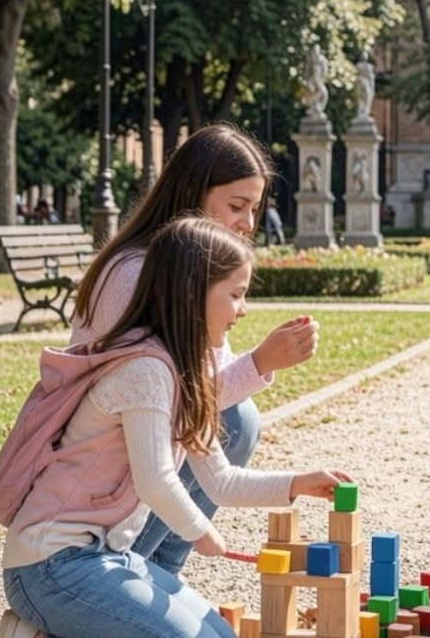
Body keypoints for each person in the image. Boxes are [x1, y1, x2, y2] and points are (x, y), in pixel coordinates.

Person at [0, 217, 352, 638]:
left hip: (108, 556)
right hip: (49, 564)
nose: (244, 310)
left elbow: (220, 480)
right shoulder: (145, 370)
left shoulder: (184, 369)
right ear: (191, 294)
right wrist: (201, 531)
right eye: (236, 295)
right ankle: (47, 623)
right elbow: (156, 480)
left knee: (222, 634)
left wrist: (299, 483)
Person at [71, 123, 319, 578]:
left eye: (255, 208)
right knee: (236, 418)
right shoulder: (139, 273)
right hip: (102, 465)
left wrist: (299, 484)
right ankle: (128, 572)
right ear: (192, 192)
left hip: (141, 441)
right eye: (237, 206)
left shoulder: (190, 270)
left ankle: (162, 575)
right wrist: (261, 362)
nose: (248, 223)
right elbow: (166, 397)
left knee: (235, 417)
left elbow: (203, 387)